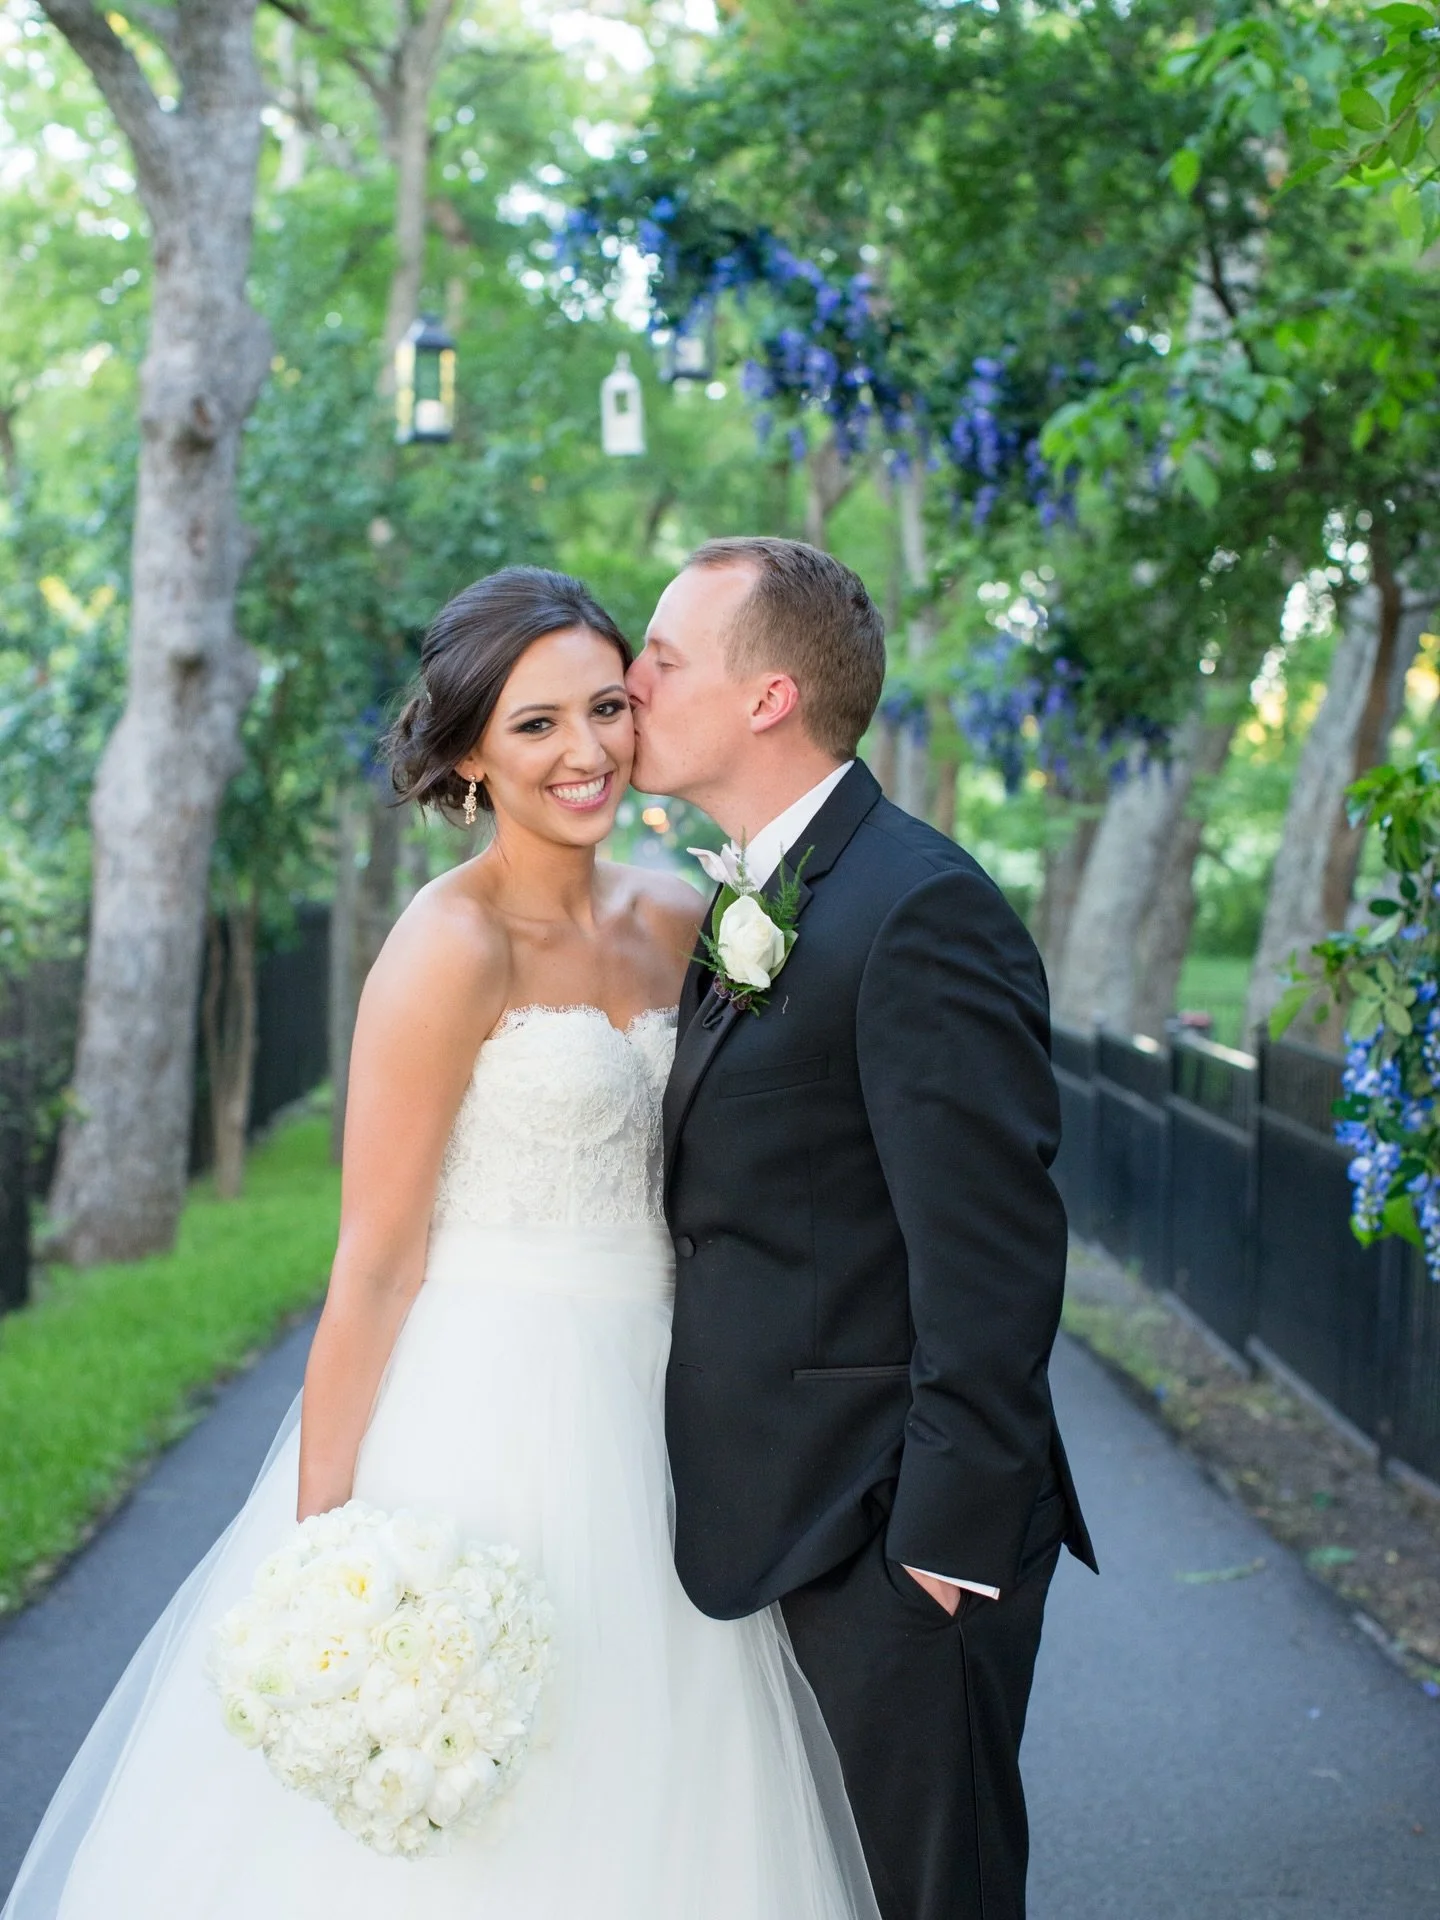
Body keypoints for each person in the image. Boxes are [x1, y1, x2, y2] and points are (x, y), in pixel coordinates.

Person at [2, 567, 878, 1920]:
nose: (585, 750)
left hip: (676, 1404)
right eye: (536, 724)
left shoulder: (685, 918)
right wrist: (317, 1557)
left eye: (605, 707)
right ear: (470, 753)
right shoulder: (447, 944)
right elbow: (374, 1262)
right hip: (490, 1408)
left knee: (664, 1778)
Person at [628, 536, 1097, 1920]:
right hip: (771, 1501)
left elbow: (993, 1255)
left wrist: (940, 1549)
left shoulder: (919, 907)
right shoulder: (757, 895)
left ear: (768, 697)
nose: (631, 683)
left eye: (663, 659)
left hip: (891, 1528)